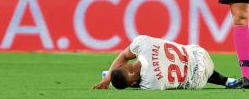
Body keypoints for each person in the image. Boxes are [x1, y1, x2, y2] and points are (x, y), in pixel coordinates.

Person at [92, 35, 236, 90]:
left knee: (182, 72)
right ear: (126, 66)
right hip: (199, 53)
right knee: (184, 60)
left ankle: (227, 81)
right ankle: (227, 81)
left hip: (198, 81)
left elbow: (135, 80)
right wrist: (108, 77)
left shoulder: (151, 83)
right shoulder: (142, 42)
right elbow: (123, 55)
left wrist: (109, 78)